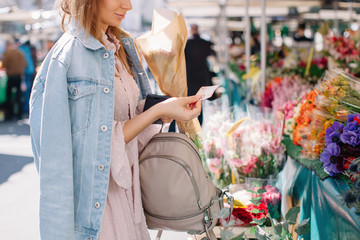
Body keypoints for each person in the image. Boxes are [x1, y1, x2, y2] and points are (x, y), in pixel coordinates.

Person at [29, 0, 202, 239]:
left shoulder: (120, 49)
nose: (128, 6)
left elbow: (124, 119)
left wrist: (164, 109)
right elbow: (70, 156)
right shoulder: (67, 58)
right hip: (98, 209)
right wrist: (156, 111)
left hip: (127, 196)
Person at [184, 24, 216, 125]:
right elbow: (212, 55)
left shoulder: (186, 44)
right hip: (202, 78)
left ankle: (190, 127)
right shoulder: (205, 43)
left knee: (189, 103)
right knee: (200, 104)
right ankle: (199, 126)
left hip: (189, 78)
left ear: (190, 31)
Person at [2, 39, 26, 120]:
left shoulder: (8, 53)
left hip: (11, 76)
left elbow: (4, 65)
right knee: (19, 95)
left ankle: (10, 114)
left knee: (8, 96)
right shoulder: (20, 53)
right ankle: (19, 114)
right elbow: (25, 64)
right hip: (19, 76)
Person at [19, 40, 35, 116]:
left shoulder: (20, 50)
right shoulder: (28, 50)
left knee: (26, 92)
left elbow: (23, 64)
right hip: (31, 71)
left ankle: (26, 108)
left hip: (25, 72)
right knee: (29, 90)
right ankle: (29, 107)